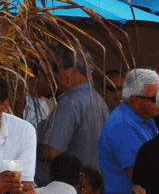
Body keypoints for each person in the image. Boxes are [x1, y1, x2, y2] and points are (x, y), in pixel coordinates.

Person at [36, 48, 109, 186]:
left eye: (57, 69)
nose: (53, 74)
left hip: (61, 188)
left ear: (73, 71)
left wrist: (32, 143)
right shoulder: (100, 101)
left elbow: (51, 152)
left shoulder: (70, 102)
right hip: (86, 187)